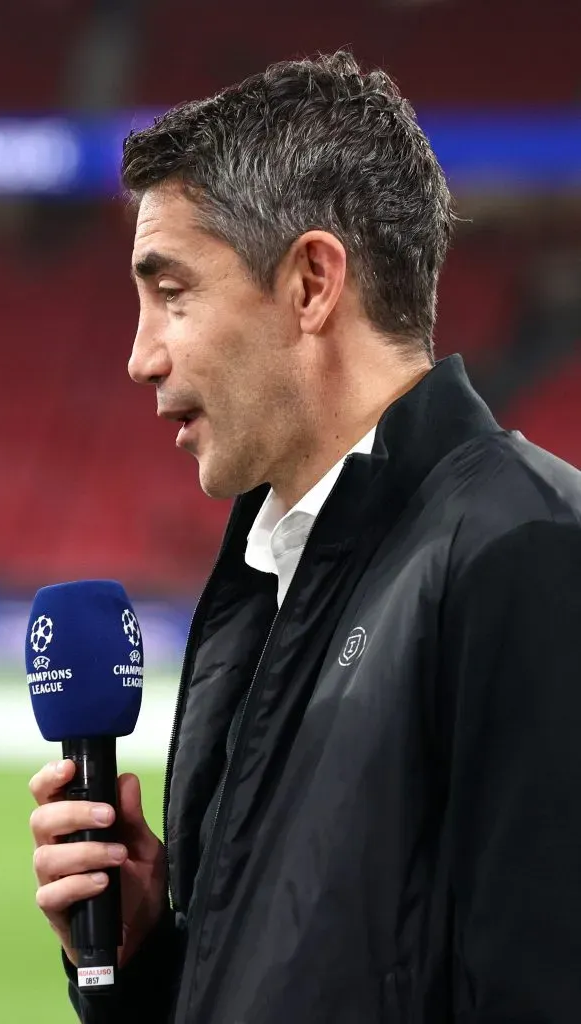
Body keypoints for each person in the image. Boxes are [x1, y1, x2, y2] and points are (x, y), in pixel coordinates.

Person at [29, 51, 581, 1023]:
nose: (137, 354)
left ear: (310, 285)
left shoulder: (525, 555)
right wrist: (152, 955)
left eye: (172, 290)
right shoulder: (266, 578)